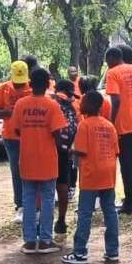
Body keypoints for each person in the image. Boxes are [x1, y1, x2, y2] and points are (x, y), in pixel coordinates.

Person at [64, 91, 121, 264]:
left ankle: (80, 252)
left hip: (91, 174)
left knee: (85, 214)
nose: (80, 104)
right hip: (108, 173)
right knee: (110, 211)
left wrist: (70, 151)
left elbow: (81, 151)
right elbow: (116, 151)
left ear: (89, 105)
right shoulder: (109, 125)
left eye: (83, 102)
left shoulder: (84, 125)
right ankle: (112, 251)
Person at [13, 68, 64, 255]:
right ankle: (45, 240)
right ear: (48, 84)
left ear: (30, 84)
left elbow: (16, 129)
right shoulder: (52, 105)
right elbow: (57, 132)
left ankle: (29, 241)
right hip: (47, 159)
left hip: (27, 158)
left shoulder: (21, 104)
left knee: (28, 199)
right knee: (48, 199)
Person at [104, 46, 132, 216]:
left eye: (107, 61)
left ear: (112, 58)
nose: (107, 65)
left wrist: (110, 124)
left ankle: (131, 203)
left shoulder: (113, 73)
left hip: (123, 125)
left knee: (126, 166)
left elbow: (115, 100)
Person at [0, 59, 35, 224]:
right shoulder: (3, 88)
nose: (20, 85)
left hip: (31, 135)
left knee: (33, 170)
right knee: (17, 171)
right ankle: (20, 205)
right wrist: (10, 112)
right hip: (11, 136)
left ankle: (34, 204)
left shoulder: (33, 87)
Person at [52, 79, 80, 241]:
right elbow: (73, 130)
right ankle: (61, 222)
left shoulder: (50, 103)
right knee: (62, 187)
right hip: (63, 151)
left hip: (51, 150)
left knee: (47, 189)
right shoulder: (69, 108)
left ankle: (46, 224)